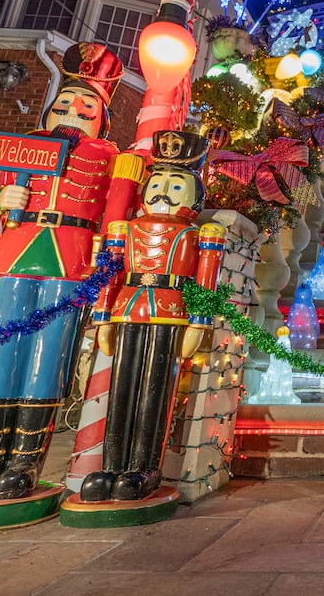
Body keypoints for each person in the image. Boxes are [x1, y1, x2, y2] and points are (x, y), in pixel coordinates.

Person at [0, 43, 124, 504]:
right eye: (64, 104)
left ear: (102, 115)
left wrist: (106, 259)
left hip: (71, 254)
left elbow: (113, 211)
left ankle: (25, 460)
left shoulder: (108, 155)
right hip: (20, 248)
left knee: (47, 355)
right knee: (3, 347)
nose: (72, 112)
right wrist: (1, 198)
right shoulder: (25, 143)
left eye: (86, 107)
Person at [82, 131, 225, 502]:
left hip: (172, 310)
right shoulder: (124, 230)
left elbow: (206, 282)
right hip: (128, 307)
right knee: (123, 384)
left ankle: (144, 465)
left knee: (155, 389)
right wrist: (102, 316)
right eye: (157, 185)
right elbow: (109, 272)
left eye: (176, 188)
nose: (163, 194)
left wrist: (199, 322)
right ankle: (110, 464)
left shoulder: (201, 234)